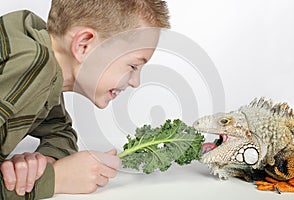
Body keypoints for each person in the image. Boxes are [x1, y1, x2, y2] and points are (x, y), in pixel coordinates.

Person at [0, 0, 170, 199]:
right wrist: (57, 179)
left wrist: (40, 164)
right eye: (133, 66)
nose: (136, 82)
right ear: (84, 45)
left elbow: (61, 132)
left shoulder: (48, 74)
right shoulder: (33, 66)